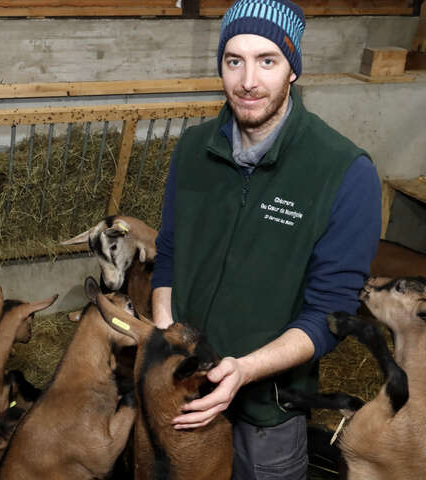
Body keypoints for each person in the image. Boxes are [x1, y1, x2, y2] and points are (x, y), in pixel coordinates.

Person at [150, 0, 381, 478]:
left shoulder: (342, 171)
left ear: (293, 70)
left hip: (268, 409)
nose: (248, 80)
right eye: (234, 61)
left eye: (267, 61)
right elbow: (170, 255)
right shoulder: (193, 150)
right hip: (184, 391)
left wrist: (244, 370)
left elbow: (329, 314)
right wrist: (167, 345)